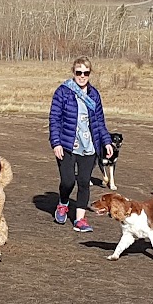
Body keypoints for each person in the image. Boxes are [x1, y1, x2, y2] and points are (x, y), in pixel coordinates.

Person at [49, 56, 114, 232]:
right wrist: (56, 143)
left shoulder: (94, 95)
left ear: (90, 74)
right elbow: (54, 119)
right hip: (67, 144)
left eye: (86, 73)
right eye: (79, 72)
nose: (82, 76)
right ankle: (63, 203)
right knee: (68, 181)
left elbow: (100, 122)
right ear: (73, 72)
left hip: (89, 146)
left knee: (84, 182)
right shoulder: (63, 92)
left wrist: (106, 142)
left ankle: (80, 219)